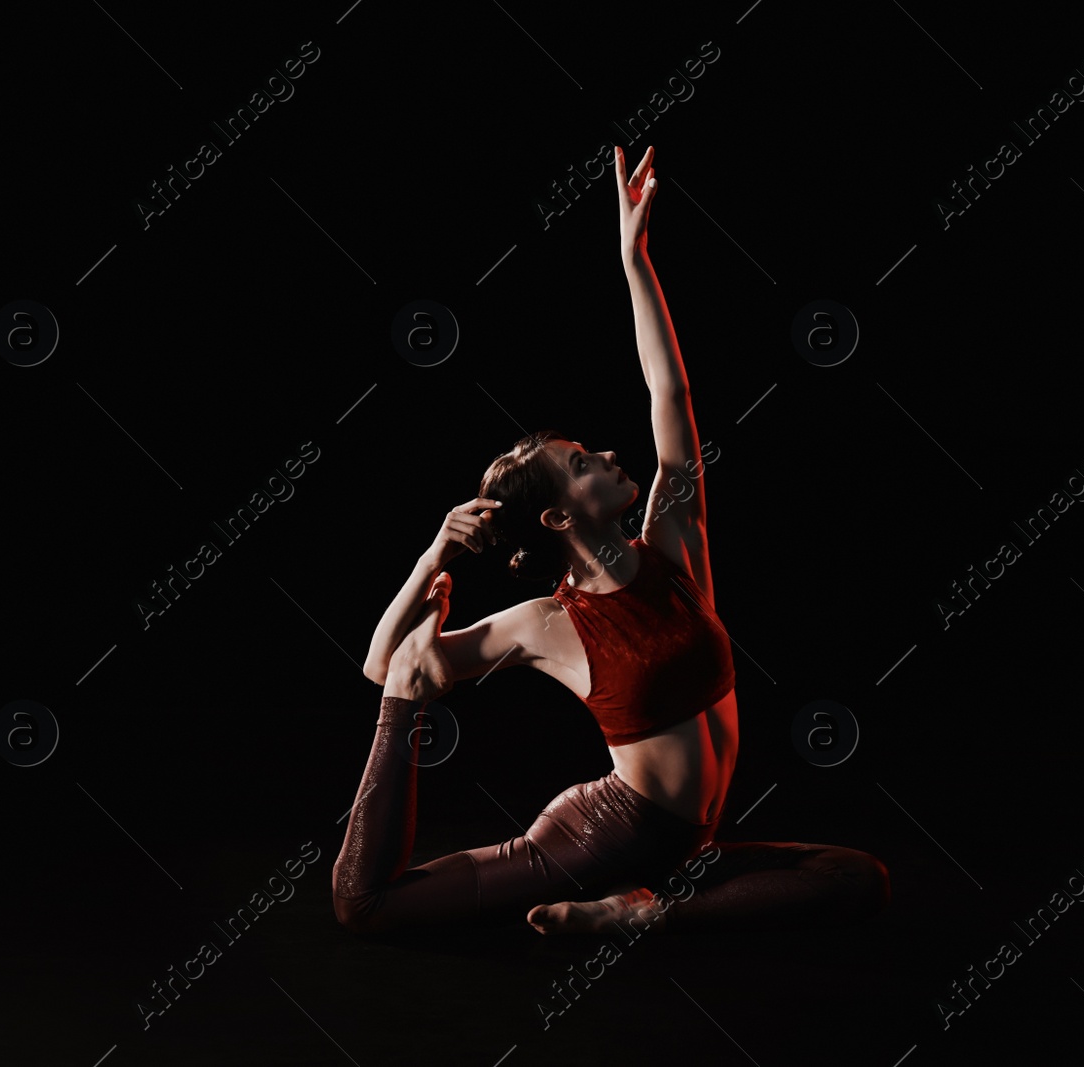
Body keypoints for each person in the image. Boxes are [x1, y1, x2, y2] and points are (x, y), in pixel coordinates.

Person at [332, 146, 889, 935]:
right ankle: (629, 919)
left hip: (682, 848)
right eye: (583, 464)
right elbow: (387, 668)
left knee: (856, 877)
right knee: (365, 904)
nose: (610, 457)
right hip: (600, 837)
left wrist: (634, 260)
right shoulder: (545, 622)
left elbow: (670, 391)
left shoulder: (675, 543)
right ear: (560, 517)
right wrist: (434, 557)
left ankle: (645, 914)